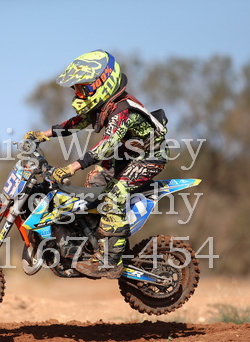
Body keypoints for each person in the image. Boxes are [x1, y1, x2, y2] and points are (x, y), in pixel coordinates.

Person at [25, 50, 169, 279]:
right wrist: (43, 134)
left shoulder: (123, 110)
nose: (79, 95)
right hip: (125, 156)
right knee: (93, 187)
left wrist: (71, 167)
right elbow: (76, 123)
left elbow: (106, 146)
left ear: (102, 82)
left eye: (83, 89)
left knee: (113, 196)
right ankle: (92, 239)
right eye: (77, 89)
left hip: (148, 157)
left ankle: (110, 260)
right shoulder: (103, 106)